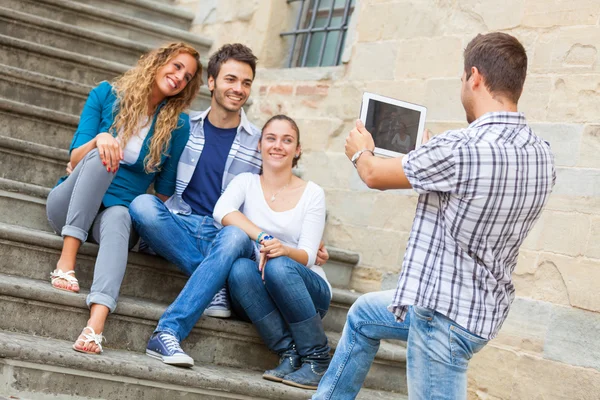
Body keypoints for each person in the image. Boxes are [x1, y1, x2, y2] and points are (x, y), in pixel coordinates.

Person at [313, 32, 556, 400]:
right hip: (482, 310)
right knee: (363, 314)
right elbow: (475, 189)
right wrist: (430, 158)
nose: (462, 86)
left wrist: (360, 151)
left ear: (474, 77)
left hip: (442, 317)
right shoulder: (542, 154)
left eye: (462, 79)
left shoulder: (458, 149)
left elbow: (374, 174)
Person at [129, 44, 329, 367]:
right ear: (211, 82)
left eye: (246, 83)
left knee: (235, 235)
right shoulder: (183, 127)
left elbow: (288, 190)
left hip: (226, 235)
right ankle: (215, 280)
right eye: (231, 79)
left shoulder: (260, 141)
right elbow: (156, 178)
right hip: (182, 223)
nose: (238, 89)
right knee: (141, 206)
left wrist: (310, 242)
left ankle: (168, 331)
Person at [45, 42, 201, 355]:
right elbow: (75, 158)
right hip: (69, 205)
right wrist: (100, 139)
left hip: (111, 217)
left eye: (187, 77)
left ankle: (96, 325)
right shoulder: (105, 94)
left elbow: (165, 189)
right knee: (103, 155)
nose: (179, 77)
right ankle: (66, 261)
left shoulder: (178, 125)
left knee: (120, 216)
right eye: (176, 66)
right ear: (157, 62)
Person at [215, 115, 331, 390]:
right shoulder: (245, 182)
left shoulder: (313, 193)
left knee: (279, 265)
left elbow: (309, 255)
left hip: (306, 292)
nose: (278, 145)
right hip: (259, 292)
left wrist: (284, 249)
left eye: (287, 140)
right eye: (271, 138)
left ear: (297, 150)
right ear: (259, 145)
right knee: (239, 269)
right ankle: (290, 353)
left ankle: (317, 359)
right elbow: (222, 211)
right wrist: (265, 238)